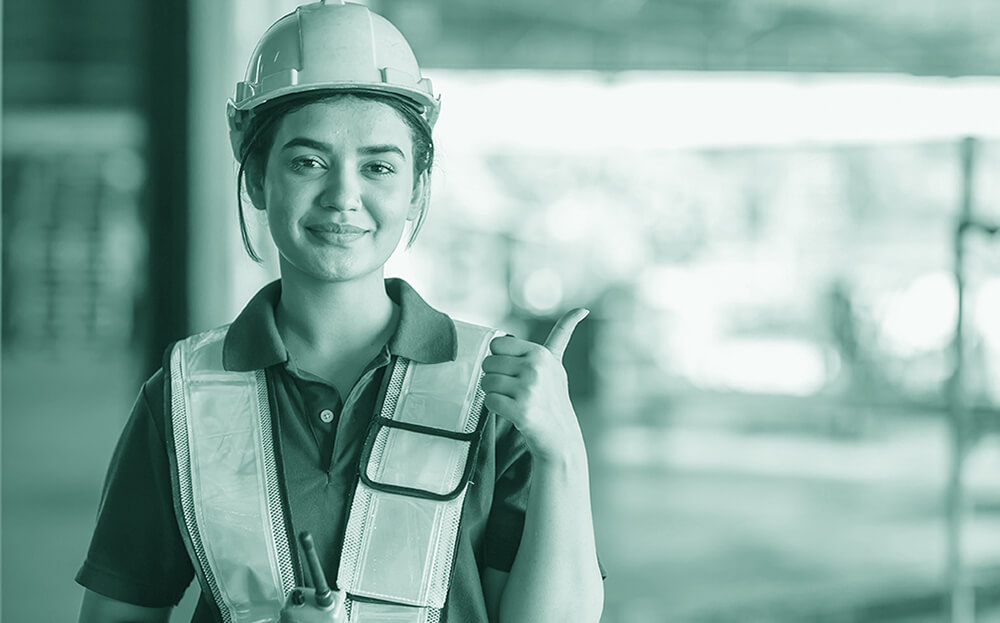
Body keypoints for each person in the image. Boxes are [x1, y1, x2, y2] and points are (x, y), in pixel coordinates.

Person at [76, 1, 604, 622]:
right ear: (256, 182)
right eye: (308, 162)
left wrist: (561, 449)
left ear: (416, 191)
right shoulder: (186, 397)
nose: (343, 196)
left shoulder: (491, 390)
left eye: (378, 166)